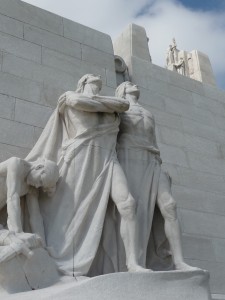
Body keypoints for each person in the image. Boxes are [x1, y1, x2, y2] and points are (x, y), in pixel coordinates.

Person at [26, 74, 147, 276]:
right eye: (92, 78)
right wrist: (108, 104)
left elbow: (124, 105)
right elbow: (79, 102)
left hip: (109, 158)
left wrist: (101, 102)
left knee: (127, 204)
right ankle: (59, 257)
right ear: (82, 82)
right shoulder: (70, 96)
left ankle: (133, 262)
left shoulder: (109, 104)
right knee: (71, 211)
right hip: (81, 156)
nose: (97, 78)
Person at [115, 81, 198, 271]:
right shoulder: (120, 108)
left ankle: (179, 261)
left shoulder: (148, 113)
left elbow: (153, 140)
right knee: (130, 208)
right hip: (130, 157)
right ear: (122, 90)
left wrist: (160, 163)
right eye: (129, 83)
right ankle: (132, 262)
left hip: (153, 160)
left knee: (169, 206)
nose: (134, 84)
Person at [0, 157, 59, 245]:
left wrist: (42, 244)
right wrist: (18, 233)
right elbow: (12, 197)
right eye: (40, 181)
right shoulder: (16, 164)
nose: (37, 186)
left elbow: (35, 216)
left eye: (41, 185)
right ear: (39, 167)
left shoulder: (31, 187)